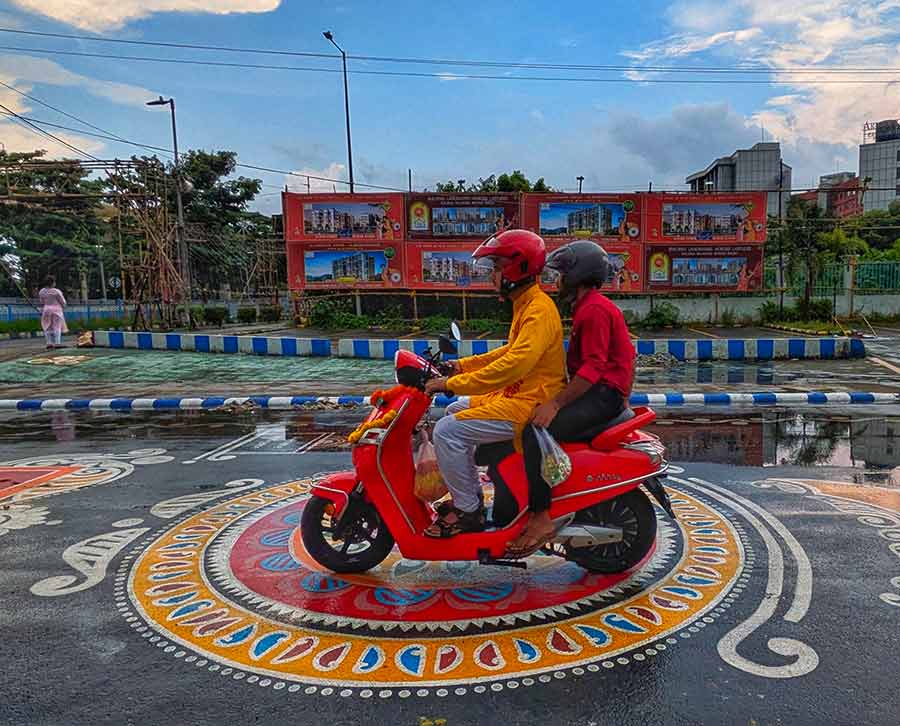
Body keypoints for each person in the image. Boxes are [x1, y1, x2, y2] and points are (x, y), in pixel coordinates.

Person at [423, 229, 566, 537]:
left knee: (446, 431)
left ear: (518, 268)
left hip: (528, 403)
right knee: (452, 414)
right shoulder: (526, 305)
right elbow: (508, 352)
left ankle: (468, 512)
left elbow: (515, 364)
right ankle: (470, 496)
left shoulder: (538, 310)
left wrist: (452, 383)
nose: (492, 276)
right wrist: (459, 366)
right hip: (517, 395)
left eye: (497, 267)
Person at [506, 240, 636, 557]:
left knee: (534, 431)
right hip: (603, 393)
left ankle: (541, 517)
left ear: (577, 275)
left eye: (561, 275)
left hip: (603, 395)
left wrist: (555, 404)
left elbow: (593, 367)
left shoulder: (593, 310)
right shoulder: (589, 307)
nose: (556, 281)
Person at [38, 274, 68, 350]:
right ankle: (57, 343)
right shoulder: (56, 291)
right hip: (57, 310)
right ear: (52, 283)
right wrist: (64, 306)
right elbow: (63, 302)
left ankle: (49, 343)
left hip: (46, 310)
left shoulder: (41, 291)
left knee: (47, 326)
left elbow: (41, 301)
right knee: (57, 326)